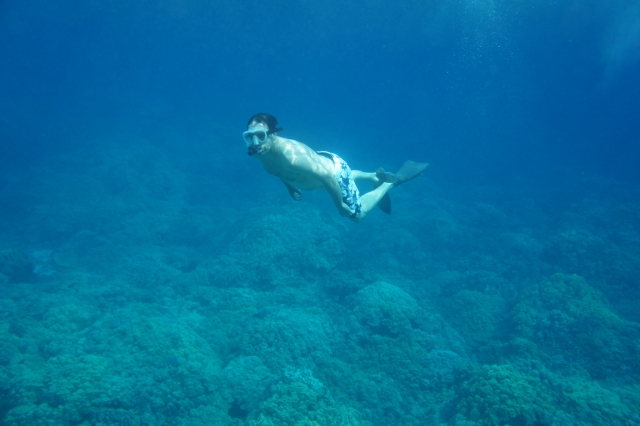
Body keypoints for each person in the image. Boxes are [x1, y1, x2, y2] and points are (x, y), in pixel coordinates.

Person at [243, 113, 428, 222]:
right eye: (249, 136)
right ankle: (372, 176)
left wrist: (339, 205)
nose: (254, 142)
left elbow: (328, 178)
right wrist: (291, 187)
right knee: (340, 175)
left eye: (260, 135)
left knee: (357, 216)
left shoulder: (292, 159)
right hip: (322, 167)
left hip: (332, 174)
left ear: (273, 135)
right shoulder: (262, 153)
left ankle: (390, 183)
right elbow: (278, 171)